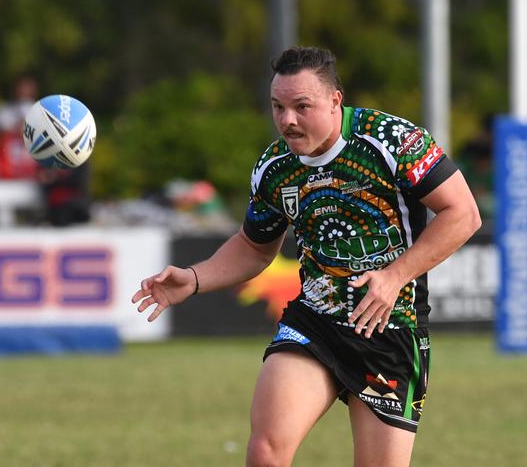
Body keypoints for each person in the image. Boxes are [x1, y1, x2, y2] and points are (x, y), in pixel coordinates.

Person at [131, 46, 481, 467]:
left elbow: (463, 213)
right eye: (278, 107)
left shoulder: (391, 140)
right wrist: (195, 277)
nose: (287, 120)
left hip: (389, 331)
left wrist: (393, 276)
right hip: (315, 321)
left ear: (335, 100)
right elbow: (255, 246)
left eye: (301, 106)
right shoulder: (275, 167)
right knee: (265, 453)